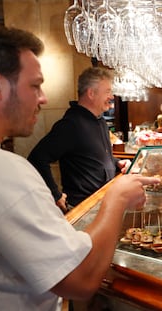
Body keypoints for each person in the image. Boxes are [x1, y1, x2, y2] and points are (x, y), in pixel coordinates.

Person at [0, 26, 159, 311]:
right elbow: (80, 281)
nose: (43, 98)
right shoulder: (7, 173)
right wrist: (117, 198)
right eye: (35, 85)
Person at [28, 67, 130, 213]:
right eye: (107, 91)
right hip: (83, 208)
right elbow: (37, 158)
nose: (112, 96)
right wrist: (55, 194)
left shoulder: (100, 121)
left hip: (103, 202)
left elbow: (95, 156)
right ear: (91, 93)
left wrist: (117, 162)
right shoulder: (71, 125)